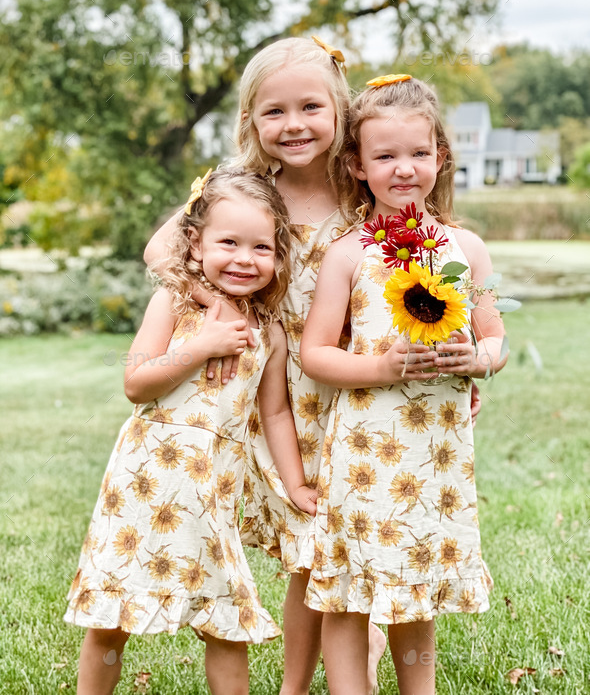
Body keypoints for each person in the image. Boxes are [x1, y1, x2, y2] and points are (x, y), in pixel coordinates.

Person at [144, 38, 481, 694]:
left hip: (360, 400)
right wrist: (217, 302)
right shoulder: (246, 191)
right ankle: (300, 684)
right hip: (281, 396)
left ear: (341, 115)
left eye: (310, 107)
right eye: (274, 112)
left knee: (331, 545)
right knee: (310, 551)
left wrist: (453, 367)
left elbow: (433, 280)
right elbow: (164, 248)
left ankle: (335, 668)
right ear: (251, 122)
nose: (293, 124)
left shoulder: (363, 186)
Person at [65, 168, 317, 695]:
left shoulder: (267, 332)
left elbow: (273, 415)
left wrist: (294, 485)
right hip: (145, 484)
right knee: (112, 615)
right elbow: (136, 383)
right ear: (196, 245)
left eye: (261, 248)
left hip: (212, 495)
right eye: (228, 242)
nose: (245, 259)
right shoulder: (174, 305)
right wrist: (198, 347)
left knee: (225, 621)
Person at [299, 74, 507, 695]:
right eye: (384, 156)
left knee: (416, 588)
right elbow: (315, 353)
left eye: (418, 153)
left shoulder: (465, 248)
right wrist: (381, 368)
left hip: (435, 455)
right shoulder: (347, 253)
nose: (404, 169)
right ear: (358, 166)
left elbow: (494, 338)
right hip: (365, 449)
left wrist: (478, 358)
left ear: (440, 157)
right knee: (348, 592)